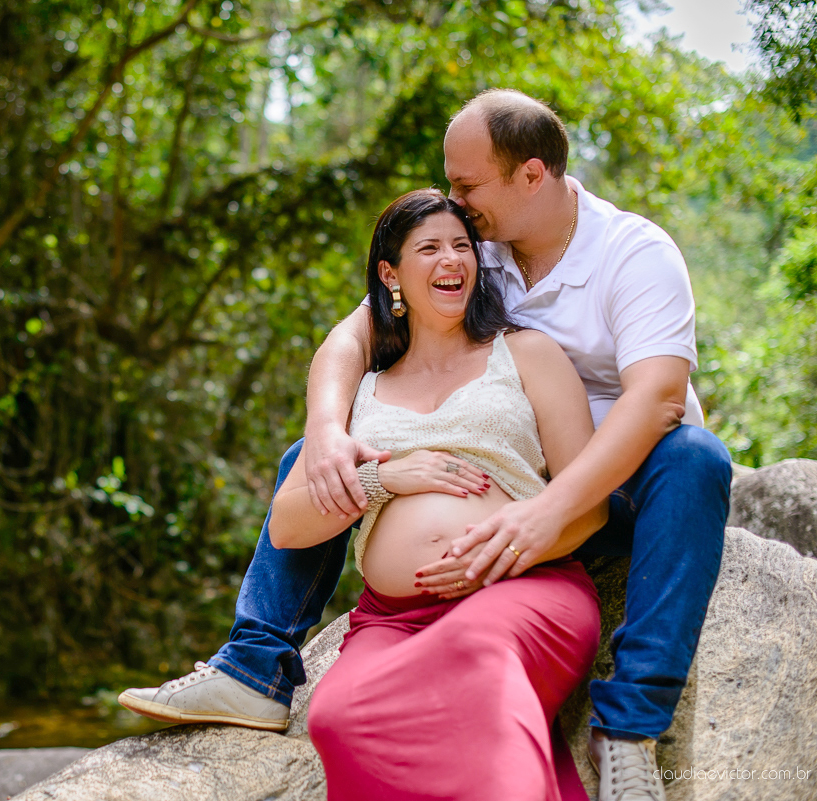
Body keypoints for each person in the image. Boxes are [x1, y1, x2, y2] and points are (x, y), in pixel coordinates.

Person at [120, 90, 732, 801]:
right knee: (311, 458)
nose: (454, 199)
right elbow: (352, 337)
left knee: (695, 457)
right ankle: (255, 664)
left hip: (615, 489)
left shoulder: (634, 253)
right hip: (519, 485)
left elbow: (657, 397)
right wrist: (327, 432)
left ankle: (628, 731)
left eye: (467, 185)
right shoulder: (480, 248)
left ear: (530, 176)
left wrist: (545, 515)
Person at [271, 188, 606, 800]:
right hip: (394, 620)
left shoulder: (525, 353)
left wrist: (506, 548)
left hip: (522, 588)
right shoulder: (362, 392)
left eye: (463, 246)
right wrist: (381, 479)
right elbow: (287, 528)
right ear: (389, 273)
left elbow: (589, 503)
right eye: (429, 248)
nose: (452, 260)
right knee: (336, 716)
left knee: (477, 651)